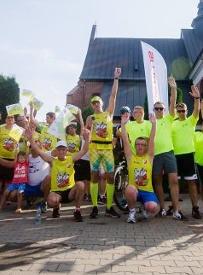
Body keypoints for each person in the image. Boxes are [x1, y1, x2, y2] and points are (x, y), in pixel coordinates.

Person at [27, 128, 90, 222]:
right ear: (56, 151)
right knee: (51, 201)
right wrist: (30, 138)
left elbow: (84, 150)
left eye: (63, 150)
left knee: (81, 185)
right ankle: (56, 207)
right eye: (59, 150)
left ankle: (77, 211)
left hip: (69, 192)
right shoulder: (52, 160)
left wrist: (87, 138)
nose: (61, 152)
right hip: (57, 192)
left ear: (66, 150)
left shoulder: (71, 159)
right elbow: (38, 151)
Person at [85, 67, 121, 219]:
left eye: (98, 102)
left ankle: (108, 208)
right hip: (94, 148)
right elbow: (85, 134)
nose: (96, 104)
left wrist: (116, 79)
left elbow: (113, 95)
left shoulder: (109, 114)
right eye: (93, 103)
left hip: (107, 148)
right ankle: (94, 207)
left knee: (110, 176)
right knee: (94, 176)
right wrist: (86, 132)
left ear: (101, 103)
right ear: (92, 106)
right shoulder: (90, 118)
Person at [120, 112, 160, 223]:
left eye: (142, 144)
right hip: (135, 191)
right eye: (137, 144)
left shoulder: (149, 157)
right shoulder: (130, 157)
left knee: (152, 208)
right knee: (130, 189)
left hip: (147, 191)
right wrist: (123, 125)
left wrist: (154, 124)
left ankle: (143, 207)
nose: (140, 146)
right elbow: (125, 140)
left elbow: (152, 139)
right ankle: (132, 211)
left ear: (146, 146)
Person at [171, 85, 202, 219]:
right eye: (179, 111)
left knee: (191, 183)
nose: (182, 113)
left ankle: (195, 208)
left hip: (189, 155)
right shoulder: (172, 123)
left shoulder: (191, 121)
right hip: (175, 156)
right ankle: (175, 207)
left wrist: (197, 98)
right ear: (176, 112)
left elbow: (197, 110)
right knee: (175, 183)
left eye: (183, 111)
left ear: (186, 111)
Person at [152, 77, 181, 219]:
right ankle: (162, 208)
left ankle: (176, 210)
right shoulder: (149, 122)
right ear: (153, 110)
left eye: (161, 108)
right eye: (156, 108)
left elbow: (173, 103)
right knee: (157, 181)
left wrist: (173, 88)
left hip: (168, 153)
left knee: (174, 180)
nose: (159, 110)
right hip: (155, 155)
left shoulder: (169, 118)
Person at [0, 112, 23, 205]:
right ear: (5, 120)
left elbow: (25, 136)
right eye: (8, 118)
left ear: (14, 120)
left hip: (12, 158)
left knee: (9, 179)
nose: (10, 119)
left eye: (12, 118)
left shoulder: (18, 130)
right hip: (0, 157)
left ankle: (6, 197)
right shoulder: (0, 129)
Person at [0, 147, 29, 213]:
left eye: (24, 157)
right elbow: (15, 155)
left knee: (19, 193)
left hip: (22, 183)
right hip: (14, 183)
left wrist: (27, 146)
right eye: (20, 158)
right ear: (17, 158)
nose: (22, 159)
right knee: (6, 192)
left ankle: (19, 207)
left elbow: (27, 154)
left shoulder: (26, 164)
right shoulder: (15, 164)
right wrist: (16, 148)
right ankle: (0, 207)